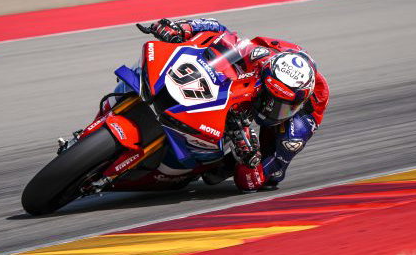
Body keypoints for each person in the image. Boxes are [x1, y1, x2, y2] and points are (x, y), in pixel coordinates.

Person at [141, 18, 329, 192]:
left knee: (266, 173)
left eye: (279, 106)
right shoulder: (260, 56)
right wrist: (182, 28)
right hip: (272, 67)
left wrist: (249, 160)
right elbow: (221, 32)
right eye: (267, 97)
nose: (269, 109)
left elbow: (258, 181)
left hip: (299, 103)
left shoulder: (300, 123)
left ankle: (221, 158)